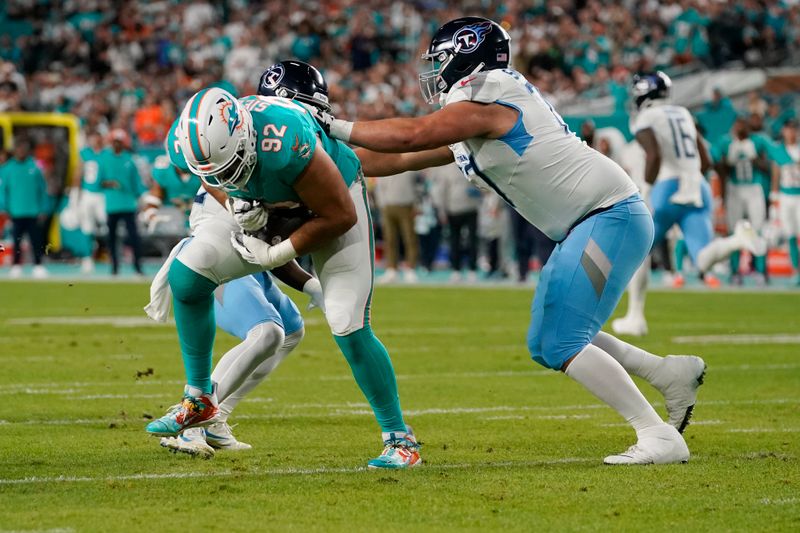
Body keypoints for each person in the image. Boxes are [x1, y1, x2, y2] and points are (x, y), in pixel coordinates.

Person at [313, 17, 709, 464]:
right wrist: (318, 157)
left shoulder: (489, 92)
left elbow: (413, 133)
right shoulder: (475, 113)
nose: (435, 70)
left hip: (609, 215)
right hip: (590, 222)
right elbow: (399, 157)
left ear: (467, 54)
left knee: (562, 341)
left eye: (440, 59)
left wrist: (330, 123)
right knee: (547, 343)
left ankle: (656, 435)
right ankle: (667, 373)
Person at [146, 62, 421, 470]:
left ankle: (400, 440)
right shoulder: (190, 138)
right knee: (189, 273)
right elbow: (208, 176)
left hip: (334, 203)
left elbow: (337, 215)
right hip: (268, 197)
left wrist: (278, 253)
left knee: (347, 320)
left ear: (246, 137)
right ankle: (200, 397)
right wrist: (236, 202)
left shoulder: (285, 139)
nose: (226, 175)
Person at [146, 169, 310, 457]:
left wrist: (312, 285)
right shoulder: (246, 167)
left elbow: (268, 244)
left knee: (291, 331)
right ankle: (190, 428)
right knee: (268, 333)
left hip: (248, 260)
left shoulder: (261, 161)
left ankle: (215, 420)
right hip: (220, 260)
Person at [613, 72, 764, 336]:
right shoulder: (683, 113)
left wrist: (646, 191)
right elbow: (705, 161)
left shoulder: (646, 118)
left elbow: (654, 155)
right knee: (703, 259)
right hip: (698, 187)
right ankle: (737, 240)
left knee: (636, 249)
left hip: (666, 188)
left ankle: (636, 317)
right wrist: (691, 182)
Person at [713, 116, 771, 285]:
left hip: (754, 188)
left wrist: (753, 157)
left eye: (742, 126)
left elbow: (767, 166)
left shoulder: (758, 140)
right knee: (734, 231)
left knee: (758, 230)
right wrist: (727, 161)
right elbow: (718, 166)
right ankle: (735, 271)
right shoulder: (726, 142)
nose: (740, 130)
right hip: (734, 189)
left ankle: (761, 270)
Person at [98, 129, 145, 276]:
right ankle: (114, 267)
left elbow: (137, 182)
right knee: (111, 237)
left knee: (133, 236)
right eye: (115, 141)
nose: (117, 144)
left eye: (119, 141)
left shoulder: (130, 159)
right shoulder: (104, 158)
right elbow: (99, 182)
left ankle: (137, 266)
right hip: (112, 205)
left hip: (128, 204)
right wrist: (110, 183)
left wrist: (141, 198)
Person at [141, 120, 201, 233]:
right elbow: (154, 197)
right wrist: (151, 214)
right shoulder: (163, 169)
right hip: (175, 223)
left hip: (201, 220)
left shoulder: (203, 169)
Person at [0, 139, 48, 279]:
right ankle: (16, 265)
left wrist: (43, 208)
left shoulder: (34, 166)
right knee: (17, 239)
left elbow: (42, 189)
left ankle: (38, 265)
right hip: (16, 211)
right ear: (15, 151)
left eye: (23, 149)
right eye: (19, 149)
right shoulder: (7, 168)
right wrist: (3, 207)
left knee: (36, 240)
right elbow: (3, 190)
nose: (21, 152)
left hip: (33, 210)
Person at [430, 162, 482, 282]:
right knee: (455, 241)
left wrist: (479, 199)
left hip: (471, 208)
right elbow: (441, 191)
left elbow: (480, 184)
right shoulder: (446, 169)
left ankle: (472, 269)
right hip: (453, 209)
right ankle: (456, 270)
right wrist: (442, 211)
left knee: (472, 240)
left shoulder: (470, 163)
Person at [373, 170, 419, 283]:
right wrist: (381, 204)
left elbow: (417, 186)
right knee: (389, 239)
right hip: (387, 206)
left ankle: (410, 268)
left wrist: (416, 205)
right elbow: (379, 187)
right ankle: (391, 269)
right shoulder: (385, 165)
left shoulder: (409, 166)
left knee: (409, 238)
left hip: (406, 204)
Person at [770, 120, 800, 284]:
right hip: (786, 195)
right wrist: (774, 198)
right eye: (788, 130)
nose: (791, 133)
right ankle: (795, 270)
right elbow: (776, 174)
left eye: (793, 130)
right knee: (790, 234)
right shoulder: (779, 150)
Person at [78, 131, 106, 273]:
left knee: (106, 225)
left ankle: (107, 253)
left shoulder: (106, 154)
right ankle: (87, 257)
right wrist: (75, 193)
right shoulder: (85, 153)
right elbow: (79, 172)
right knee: (87, 226)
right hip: (87, 193)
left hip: (102, 194)